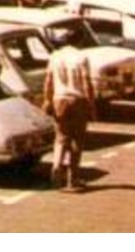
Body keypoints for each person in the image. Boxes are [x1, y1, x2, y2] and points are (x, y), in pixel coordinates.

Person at [43, 41, 95, 191]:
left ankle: (57, 165)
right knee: (77, 140)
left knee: (60, 137)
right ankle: (73, 178)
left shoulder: (55, 56)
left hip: (59, 99)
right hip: (77, 100)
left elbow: (48, 81)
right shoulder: (81, 57)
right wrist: (91, 105)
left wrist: (47, 100)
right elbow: (87, 82)